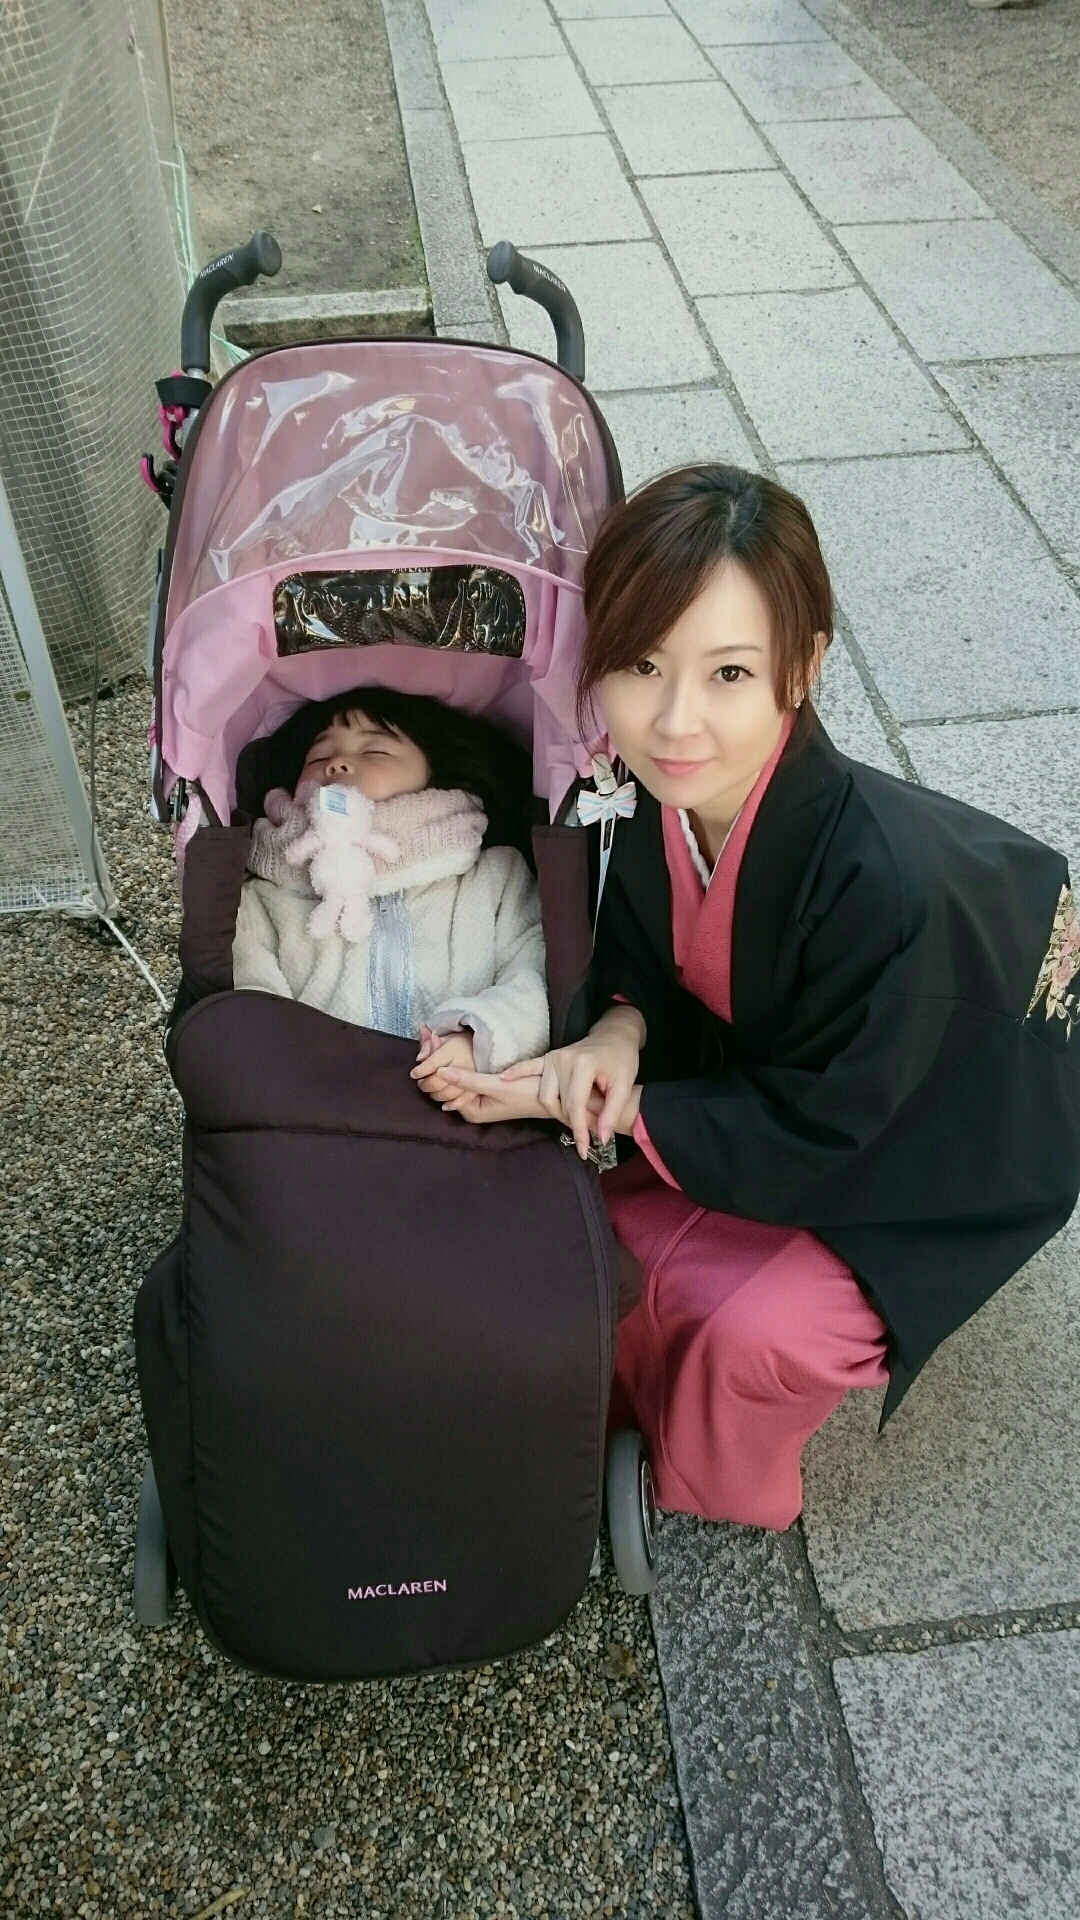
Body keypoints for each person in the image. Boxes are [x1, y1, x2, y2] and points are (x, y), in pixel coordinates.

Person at [436, 465, 1080, 1531]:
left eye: (729, 672)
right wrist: (617, 1033)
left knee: (741, 1326)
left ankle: (717, 1485)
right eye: (640, 664)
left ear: (803, 666)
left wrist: (613, 1105)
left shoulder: (886, 887)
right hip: (805, 1082)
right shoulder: (649, 799)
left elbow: (835, 1127)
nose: (674, 721)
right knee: (585, 1239)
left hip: (945, 1132)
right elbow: (644, 953)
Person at [232, 687, 549, 1094]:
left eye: (374, 751)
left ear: (435, 771)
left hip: (469, 1101)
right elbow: (251, 1006)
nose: (337, 763)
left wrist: (480, 1039)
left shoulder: (497, 878)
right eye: (318, 756)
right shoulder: (262, 899)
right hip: (316, 1106)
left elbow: (534, 976)